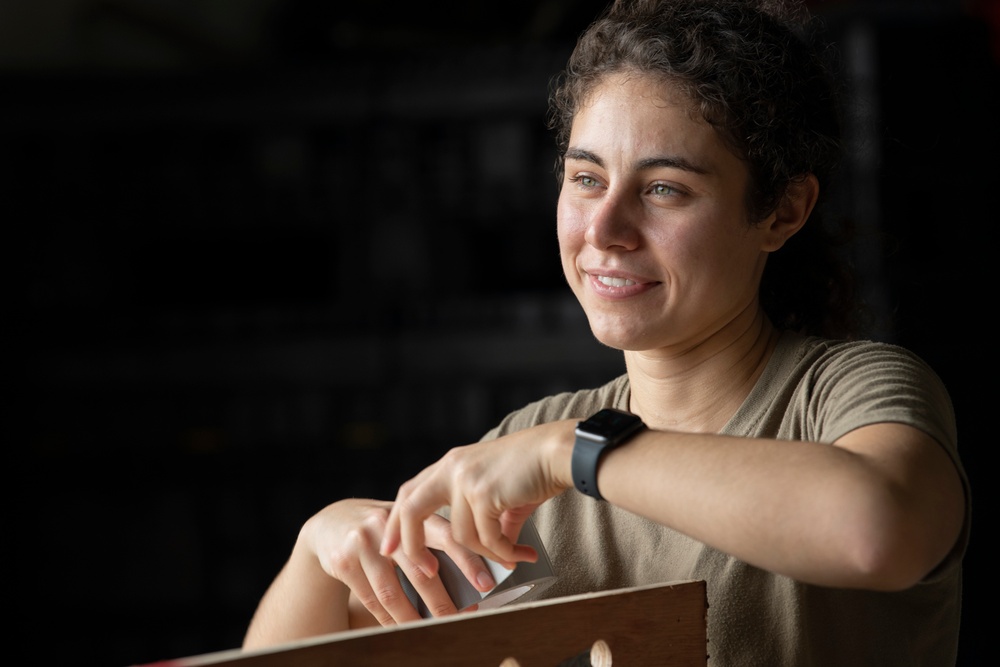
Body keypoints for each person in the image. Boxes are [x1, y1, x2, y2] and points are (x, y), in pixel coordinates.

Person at [243, 0, 971, 664]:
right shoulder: (524, 447)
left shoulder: (843, 392)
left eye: (664, 189)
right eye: (586, 178)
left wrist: (574, 453)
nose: (604, 229)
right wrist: (318, 548)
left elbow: (877, 530)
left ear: (781, 211)